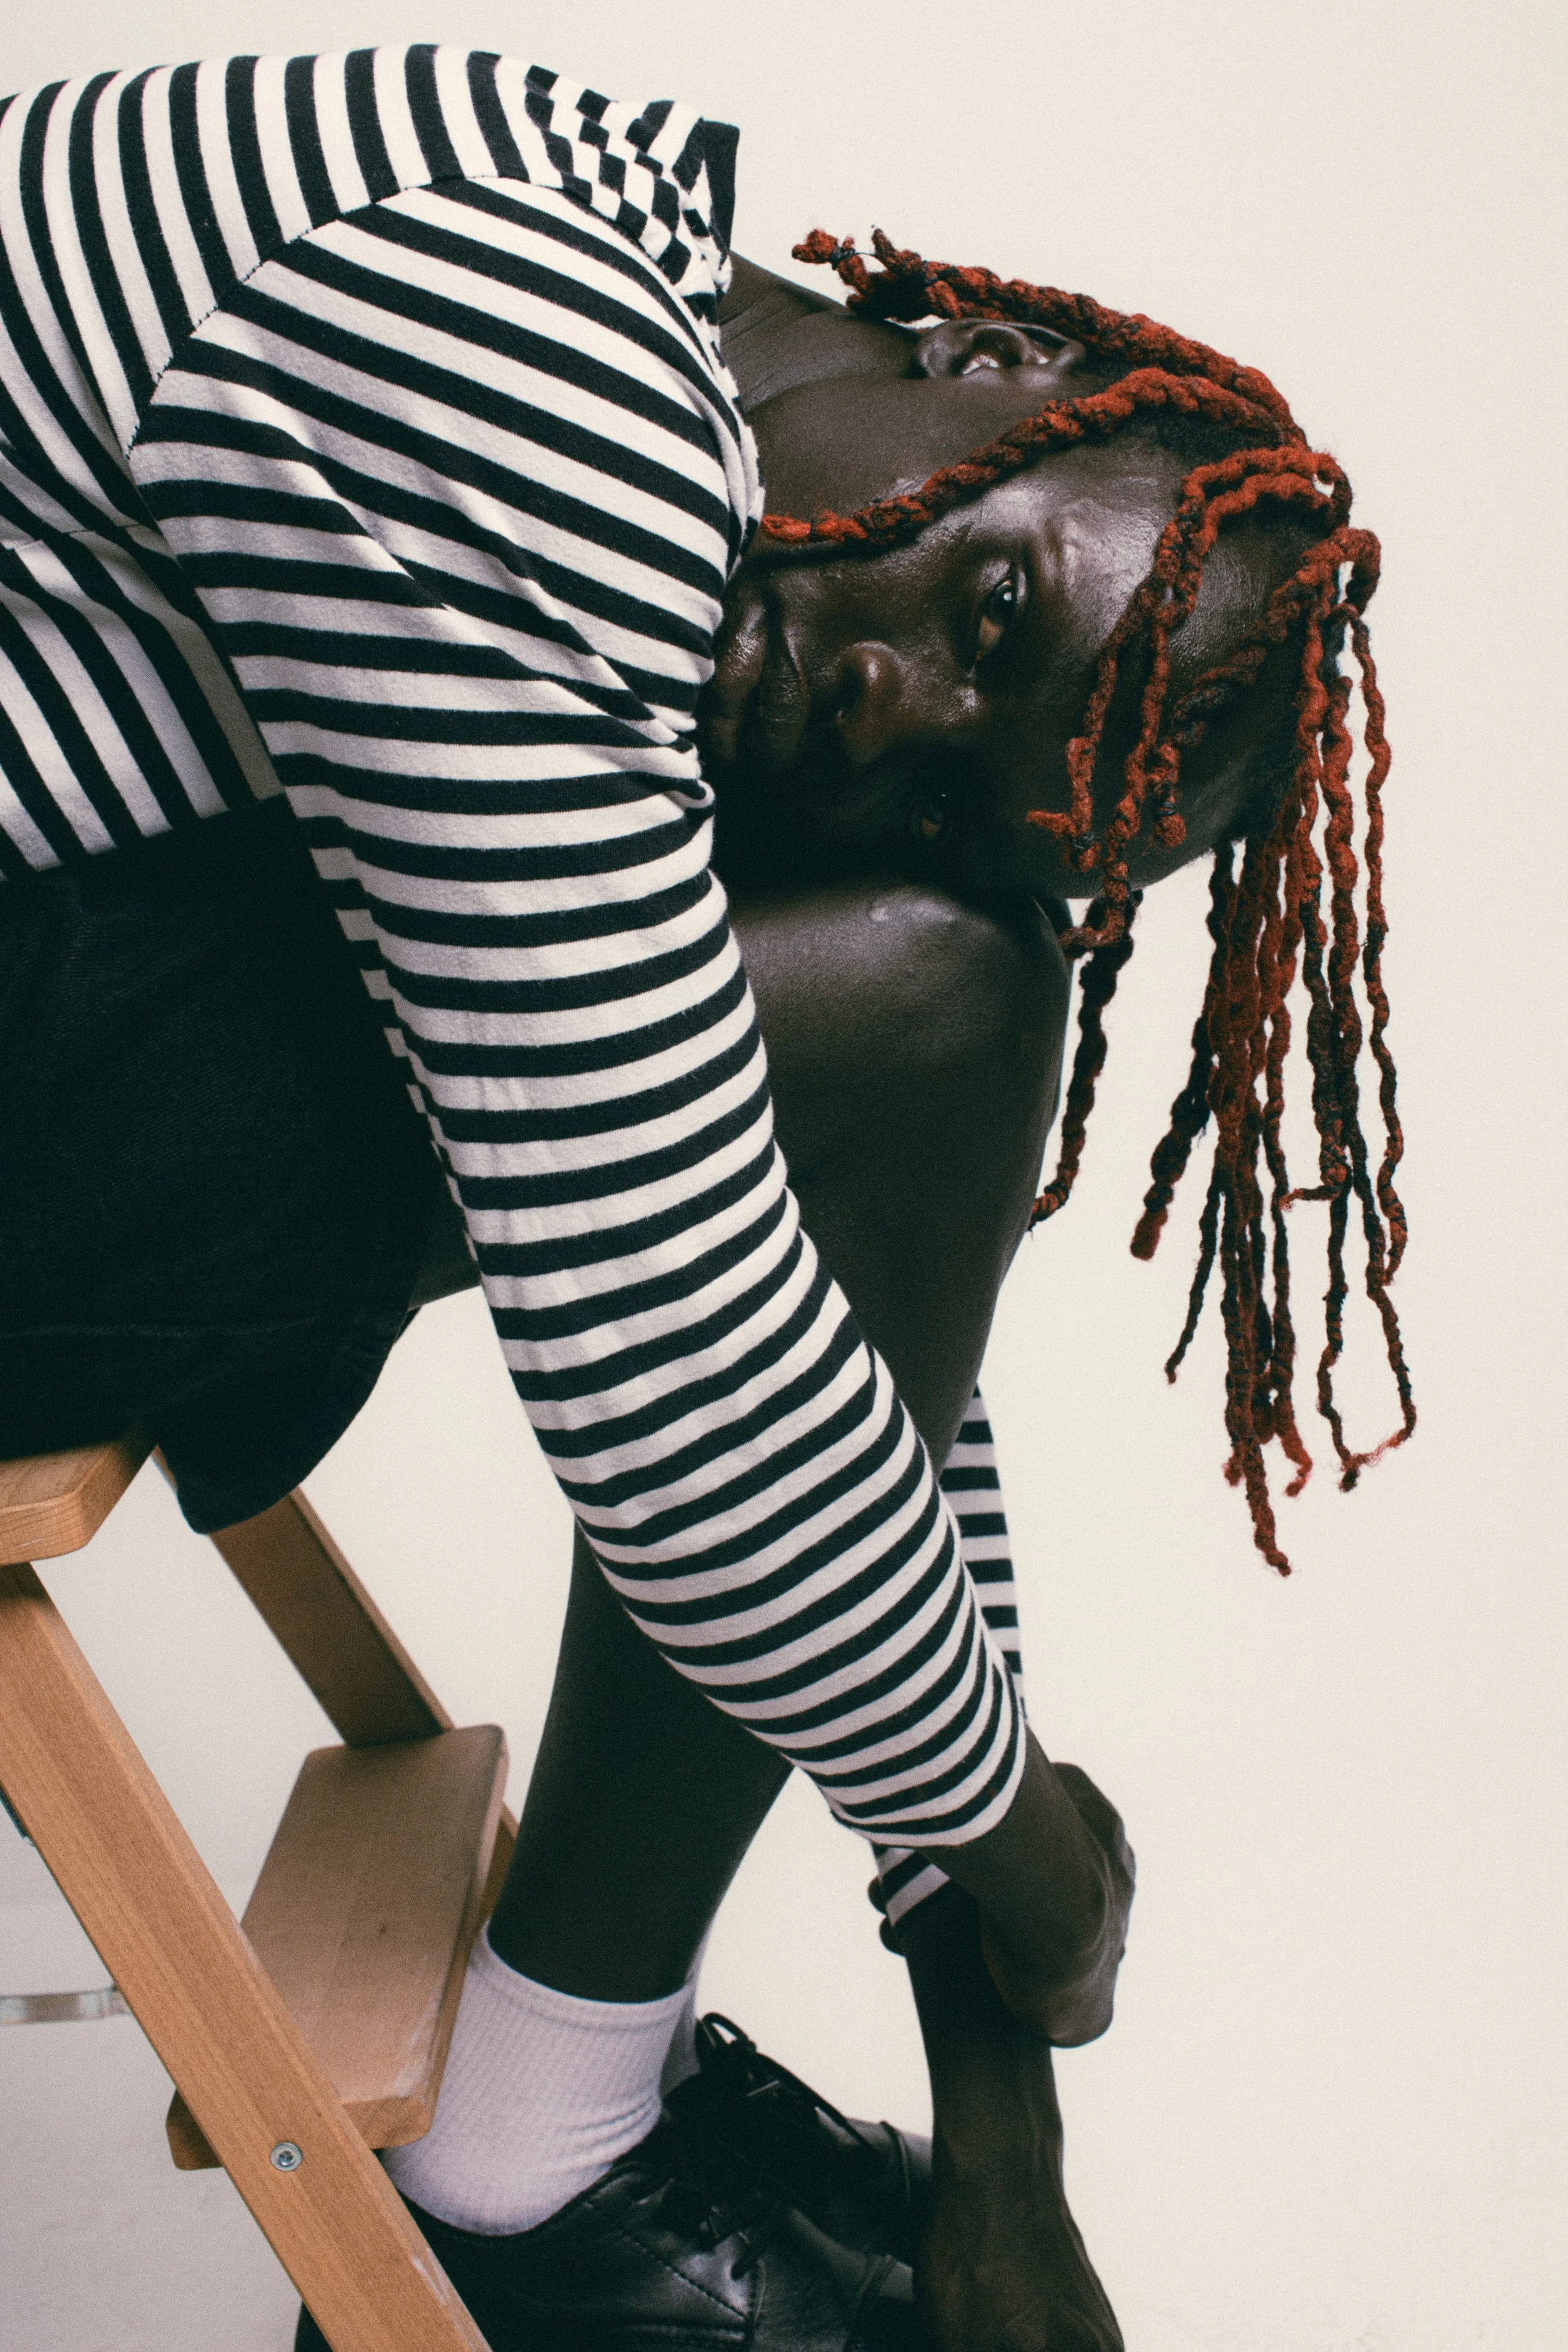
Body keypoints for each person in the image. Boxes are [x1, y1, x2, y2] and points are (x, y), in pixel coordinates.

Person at [0, 43, 1412, 2351]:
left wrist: (1004, 2124)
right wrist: (1030, 1856)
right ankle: (543, 2177)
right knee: (911, 1005)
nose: (880, 712)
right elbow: (686, 1367)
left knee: (913, 990)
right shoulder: (517, 356)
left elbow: (836, 1287)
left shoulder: (614, 298)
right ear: (994, 366)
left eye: (978, 797)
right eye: (984, 617)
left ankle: (561, 2129)